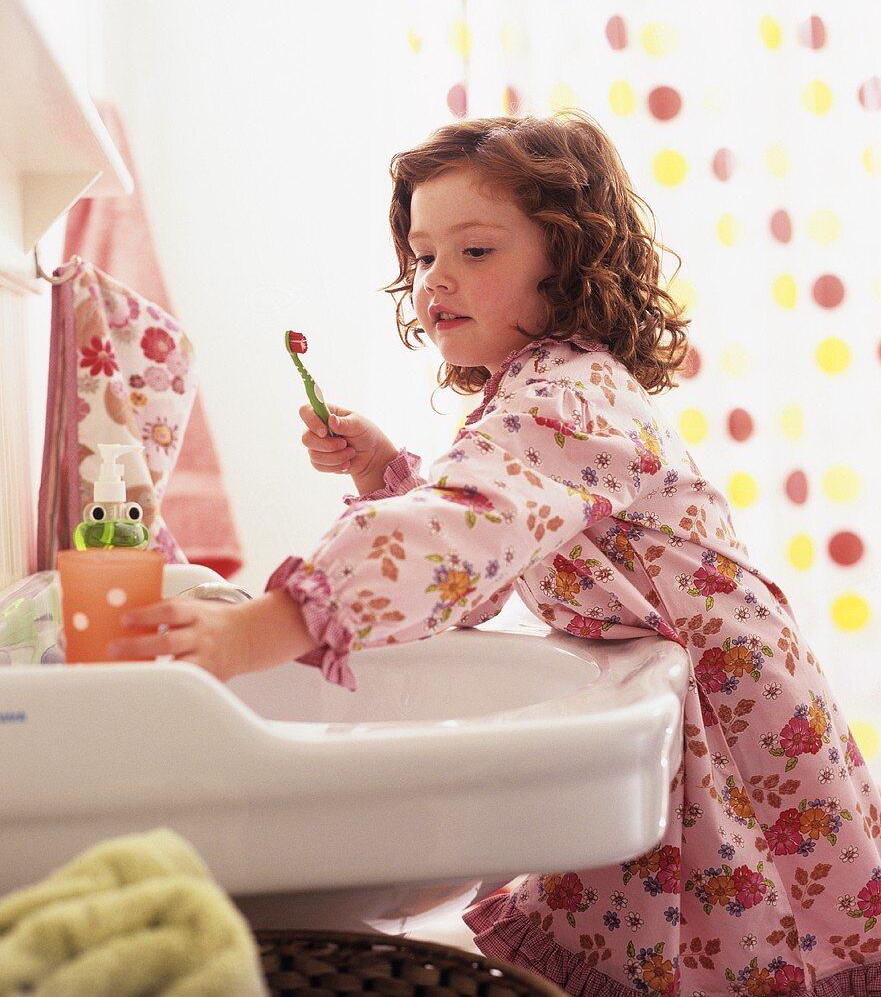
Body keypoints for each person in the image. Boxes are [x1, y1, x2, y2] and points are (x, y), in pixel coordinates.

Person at [112, 112, 881, 995]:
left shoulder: (570, 390)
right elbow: (483, 552)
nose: (435, 279)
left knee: (744, 951)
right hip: (711, 684)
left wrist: (267, 629)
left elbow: (462, 527)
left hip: (732, 711)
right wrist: (383, 468)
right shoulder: (536, 393)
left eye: (474, 252)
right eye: (423, 255)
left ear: (569, 258)